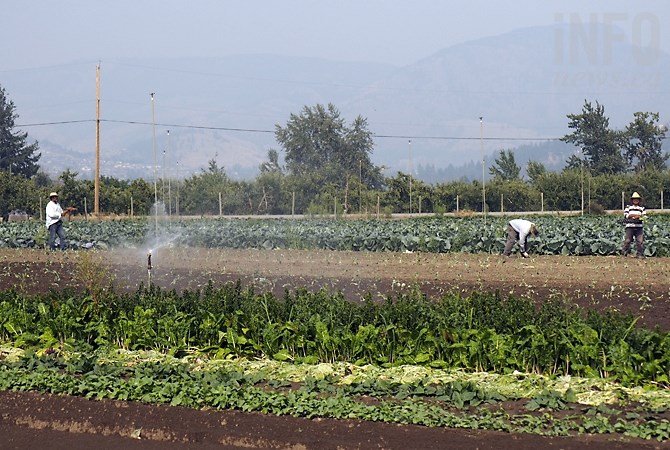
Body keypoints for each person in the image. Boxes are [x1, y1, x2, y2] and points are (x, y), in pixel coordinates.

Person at [622, 191, 646, 258]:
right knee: (628, 241)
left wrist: (637, 216)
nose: (636, 200)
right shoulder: (628, 207)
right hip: (630, 226)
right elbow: (626, 215)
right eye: (634, 199)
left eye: (637, 199)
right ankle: (624, 252)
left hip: (639, 227)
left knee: (640, 241)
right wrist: (636, 215)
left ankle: (640, 254)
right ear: (632, 200)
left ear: (639, 200)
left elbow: (644, 217)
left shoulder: (642, 208)